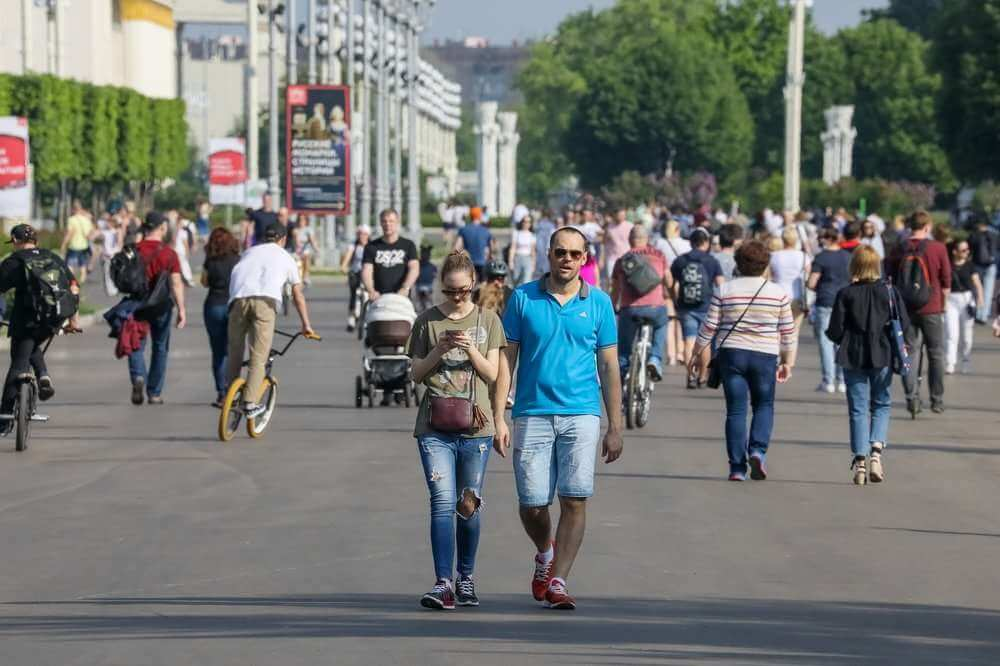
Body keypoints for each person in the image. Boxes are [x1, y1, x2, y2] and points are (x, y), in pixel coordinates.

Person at [493, 227, 624, 611]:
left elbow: (610, 366)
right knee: (532, 503)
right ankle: (545, 553)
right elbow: (507, 359)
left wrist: (615, 426)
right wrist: (499, 413)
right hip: (532, 412)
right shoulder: (522, 299)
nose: (566, 259)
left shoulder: (598, 303)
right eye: (560, 252)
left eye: (574, 254)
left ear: (585, 259)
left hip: (581, 414)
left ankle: (560, 581)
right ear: (548, 255)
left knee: (575, 499)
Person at [407, 251, 506, 610]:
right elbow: (416, 373)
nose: (457, 298)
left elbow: (493, 374)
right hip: (435, 426)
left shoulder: (489, 320)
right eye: (450, 292)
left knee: (468, 504)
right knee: (441, 501)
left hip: (476, 426)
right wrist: (439, 349)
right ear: (441, 288)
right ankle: (443, 582)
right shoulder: (426, 321)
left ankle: (466, 577)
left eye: (463, 291)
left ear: (473, 286)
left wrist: (469, 348)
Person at [689, 240, 797, 481]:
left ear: (738, 263)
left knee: (736, 411)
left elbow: (709, 327)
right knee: (763, 405)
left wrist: (696, 354)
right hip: (765, 356)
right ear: (765, 264)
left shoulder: (725, 290)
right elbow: (788, 332)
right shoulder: (778, 293)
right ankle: (757, 450)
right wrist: (788, 361)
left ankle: (737, 467)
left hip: (732, 354)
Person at [825, 246, 908, 485]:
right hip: (882, 351)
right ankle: (876, 453)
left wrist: (842, 337)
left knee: (858, 408)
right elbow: (903, 324)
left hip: (853, 354)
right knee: (882, 403)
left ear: (855, 266)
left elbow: (835, 331)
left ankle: (859, 461)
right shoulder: (889, 292)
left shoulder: (846, 294)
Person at [227, 223, 315, 419]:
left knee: (235, 350)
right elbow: (297, 294)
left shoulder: (250, 251)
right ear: (283, 239)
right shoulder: (287, 257)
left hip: (238, 299)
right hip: (264, 302)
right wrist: (306, 324)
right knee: (259, 356)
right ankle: (249, 403)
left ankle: (229, 395)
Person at [0, 224, 81, 429]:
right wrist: (73, 320)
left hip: (25, 319)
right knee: (32, 345)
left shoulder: (15, 261)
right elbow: (73, 286)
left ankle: (5, 418)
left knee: (18, 362)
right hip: (53, 318)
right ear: (35, 240)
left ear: (16, 241)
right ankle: (43, 374)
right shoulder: (53, 258)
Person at [885, 210, 951, 415]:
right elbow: (946, 280)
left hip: (906, 308)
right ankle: (937, 399)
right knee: (936, 353)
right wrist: (943, 303)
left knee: (910, 352)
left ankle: (911, 398)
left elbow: (889, 277)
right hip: (931, 307)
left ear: (909, 226)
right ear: (927, 226)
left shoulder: (899, 248)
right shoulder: (938, 248)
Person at [128, 212, 187, 405]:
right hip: (161, 306)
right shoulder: (169, 253)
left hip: (137, 304)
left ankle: (138, 376)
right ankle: (154, 393)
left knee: (136, 343)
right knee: (160, 347)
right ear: (162, 227)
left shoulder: (133, 250)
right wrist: (181, 310)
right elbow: (176, 283)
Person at [611, 225, 670, 382]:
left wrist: (612, 308)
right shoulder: (659, 256)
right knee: (662, 323)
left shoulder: (622, 260)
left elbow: (615, 290)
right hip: (655, 308)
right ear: (647, 239)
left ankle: (622, 376)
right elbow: (668, 280)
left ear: (630, 240)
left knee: (624, 349)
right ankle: (655, 359)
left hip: (629, 309)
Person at [671, 229, 724, 387]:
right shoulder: (711, 261)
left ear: (691, 242)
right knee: (705, 341)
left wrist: (674, 299)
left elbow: (671, 282)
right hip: (706, 306)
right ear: (706, 243)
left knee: (689, 340)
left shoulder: (680, 261)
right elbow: (720, 284)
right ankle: (702, 376)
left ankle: (690, 374)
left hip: (686, 306)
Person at [808, 228, 852, 393]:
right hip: (845, 302)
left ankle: (828, 381)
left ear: (826, 238)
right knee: (842, 341)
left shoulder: (821, 258)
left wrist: (810, 284)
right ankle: (842, 380)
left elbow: (812, 282)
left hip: (825, 301)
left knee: (826, 342)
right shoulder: (847, 257)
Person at [202, 228, 241, 407]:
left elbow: (204, 282)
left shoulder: (210, 261)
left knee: (218, 352)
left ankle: (221, 392)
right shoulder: (238, 261)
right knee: (233, 350)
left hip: (213, 306)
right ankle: (233, 391)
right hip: (233, 306)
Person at [944, 239, 984, 375]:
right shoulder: (948, 265)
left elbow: (977, 283)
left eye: (967, 250)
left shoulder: (970, 266)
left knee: (967, 336)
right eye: (963, 250)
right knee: (951, 334)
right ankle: (950, 362)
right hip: (951, 301)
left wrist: (980, 298)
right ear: (954, 251)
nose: (966, 252)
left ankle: (966, 360)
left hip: (967, 300)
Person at [362, 209, 419, 300]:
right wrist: (371, 290)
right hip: (378, 298)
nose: (387, 224)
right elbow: (367, 270)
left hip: (402, 298)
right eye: (384, 221)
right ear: (380, 223)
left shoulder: (408, 245)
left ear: (397, 222)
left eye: (391, 221)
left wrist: (405, 288)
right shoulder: (371, 247)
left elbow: (414, 268)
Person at [770, 226, 811, 334]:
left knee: (778, 331)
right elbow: (808, 276)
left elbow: (770, 276)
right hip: (798, 297)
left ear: (782, 239)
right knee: (794, 332)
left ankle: (779, 350)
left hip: (778, 296)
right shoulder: (803, 256)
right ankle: (790, 351)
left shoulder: (774, 256)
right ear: (796, 240)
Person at [340, 224, 371, 332]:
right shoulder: (353, 245)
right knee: (354, 293)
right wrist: (344, 266)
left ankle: (369, 319)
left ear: (368, 235)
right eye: (360, 234)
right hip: (356, 272)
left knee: (370, 295)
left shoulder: (372, 246)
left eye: (365, 234)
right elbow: (348, 256)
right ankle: (351, 318)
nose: (362, 236)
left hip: (368, 274)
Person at [967, 213, 997, 322]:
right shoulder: (994, 234)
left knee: (976, 289)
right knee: (988, 291)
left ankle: (977, 313)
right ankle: (984, 315)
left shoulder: (974, 235)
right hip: (991, 265)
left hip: (977, 265)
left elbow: (969, 250)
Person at [453, 208, 494, 282]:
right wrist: (490, 257)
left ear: (470, 216)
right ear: (480, 216)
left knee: (469, 286)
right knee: (482, 286)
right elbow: (491, 248)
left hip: (468, 262)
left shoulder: (463, 229)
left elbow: (457, 246)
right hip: (482, 262)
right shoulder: (486, 231)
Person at [61, 200, 96, 284]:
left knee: (70, 264)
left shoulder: (72, 220)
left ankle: (72, 282)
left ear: (73, 209)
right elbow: (91, 232)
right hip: (84, 245)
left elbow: (70, 233)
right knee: (82, 264)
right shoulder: (86, 220)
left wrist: (64, 244)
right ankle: (82, 281)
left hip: (74, 245)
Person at [602, 209, 633, 288]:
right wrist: (601, 258)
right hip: (612, 258)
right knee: (611, 280)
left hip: (626, 257)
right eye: (620, 215)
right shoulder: (609, 227)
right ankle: (612, 297)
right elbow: (604, 242)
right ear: (615, 215)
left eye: (623, 215)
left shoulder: (630, 226)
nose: (621, 217)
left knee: (626, 280)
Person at [508, 215, 536, 287]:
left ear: (530, 224)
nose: (526, 223)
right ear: (521, 222)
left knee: (527, 281)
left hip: (528, 259)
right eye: (524, 221)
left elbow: (533, 251)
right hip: (518, 258)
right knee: (516, 281)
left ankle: (524, 298)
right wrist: (511, 262)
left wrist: (533, 264)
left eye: (528, 222)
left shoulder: (532, 235)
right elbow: (513, 248)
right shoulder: (516, 233)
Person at [292, 216, 317, 285]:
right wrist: (298, 247)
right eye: (300, 220)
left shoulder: (309, 229)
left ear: (306, 221)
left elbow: (312, 240)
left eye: (303, 220)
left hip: (306, 249)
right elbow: (296, 240)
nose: (301, 222)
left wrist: (316, 248)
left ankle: (306, 276)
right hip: (297, 249)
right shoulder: (295, 230)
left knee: (306, 256)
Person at [415, 244, 438, 313]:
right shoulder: (431, 266)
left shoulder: (431, 266)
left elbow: (435, 276)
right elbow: (435, 276)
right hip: (422, 286)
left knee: (425, 301)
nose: (425, 256)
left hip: (425, 286)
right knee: (424, 301)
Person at [534, 213, 556, 278]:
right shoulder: (551, 225)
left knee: (539, 270)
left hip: (540, 250)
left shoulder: (539, 225)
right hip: (546, 249)